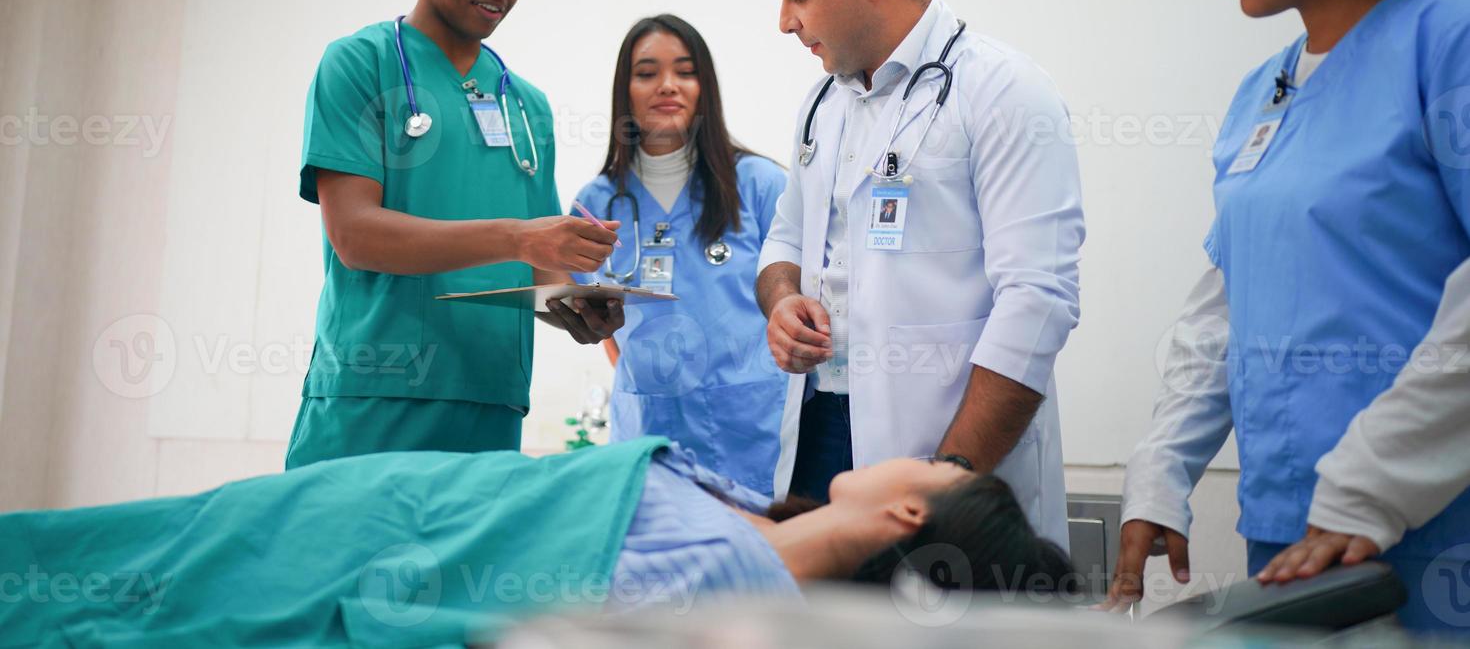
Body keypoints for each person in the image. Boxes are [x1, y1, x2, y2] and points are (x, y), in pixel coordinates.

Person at [1108, 0, 1469, 633]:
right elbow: (1227, 302)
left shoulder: (1445, 42)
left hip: (1430, 519)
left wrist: (1371, 488)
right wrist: (1160, 474)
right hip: (1290, 523)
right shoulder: (1259, 94)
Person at [0, 440, 1077, 646]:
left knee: (92, 591)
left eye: (933, 469)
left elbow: (472, 623)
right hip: (349, 501)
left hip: (336, 555)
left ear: (907, 519)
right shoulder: (749, 523)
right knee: (112, 544)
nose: (915, 454)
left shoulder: (724, 585)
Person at [756, 0, 1086, 550]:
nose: (786, 22)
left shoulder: (1002, 90)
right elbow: (785, 238)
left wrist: (948, 484)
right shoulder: (824, 103)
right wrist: (783, 300)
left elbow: (1038, 300)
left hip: (954, 458)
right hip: (823, 441)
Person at [285, 0, 624, 470]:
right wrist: (522, 238)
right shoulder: (360, 65)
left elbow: (536, 271)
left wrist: (574, 304)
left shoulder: (528, 106)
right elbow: (356, 235)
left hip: (492, 403)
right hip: (375, 399)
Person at [570, 15, 790, 496]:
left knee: (759, 566)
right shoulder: (598, 204)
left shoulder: (760, 185)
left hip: (751, 430)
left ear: (703, 86)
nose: (667, 86)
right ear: (624, 89)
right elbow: (595, 317)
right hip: (648, 429)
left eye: (685, 71)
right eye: (647, 73)